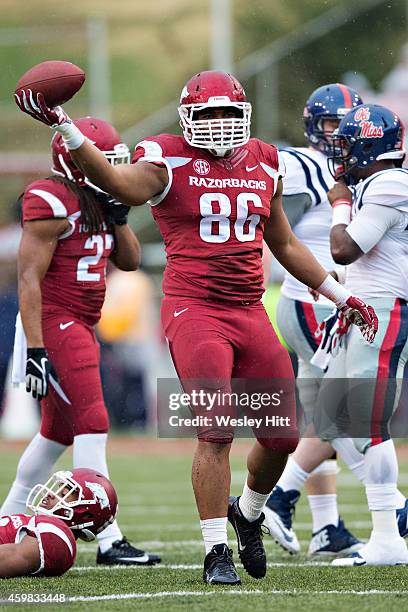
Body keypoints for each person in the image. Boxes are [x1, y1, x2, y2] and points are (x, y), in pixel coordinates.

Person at [15, 70, 378, 584]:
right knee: (216, 429)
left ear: (243, 116)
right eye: (207, 114)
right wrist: (67, 127)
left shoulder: (263, 159)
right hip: (195, 310)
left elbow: (287, 244)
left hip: (249, 310)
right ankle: (215, 552)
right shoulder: (166, 157)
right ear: (188, 117)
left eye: (227, 114)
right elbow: (120, 185)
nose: (218, 124)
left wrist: (340, 295)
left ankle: (248, 513)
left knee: (284, 435)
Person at [0, 117, 160, 567]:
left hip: (83, 324)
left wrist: (119, 215)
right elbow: (28, 279)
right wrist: (34, 350)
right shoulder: (50, 198)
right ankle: (109, 539)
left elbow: (128, 261)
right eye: (104, 162)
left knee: (55, 434)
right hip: (55, 323)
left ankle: (6, 519)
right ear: (75, 161)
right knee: (92, 421)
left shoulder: (97, 200)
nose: (112, 170)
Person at [263, 84, 364, 556]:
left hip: (333, 302)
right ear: (312, 125)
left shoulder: (358, 165)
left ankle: (326, 528)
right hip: (316, 301)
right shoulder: (302, 163)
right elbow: (276, 228)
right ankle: (279, 495)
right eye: (330, 124)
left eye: (346, 124)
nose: (337, 133)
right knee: (346, 410)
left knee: (323, 416)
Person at [311, 103, 408, 566]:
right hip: (371, 309)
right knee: (339, 417)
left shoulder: (389, 183)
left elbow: (344, 247)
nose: (342, 153)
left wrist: (340, 203)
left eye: (349, 143)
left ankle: (389, 538)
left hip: (389, 309)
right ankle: (394, 520)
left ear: (369, 144)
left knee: (368, 422)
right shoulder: (381, 182)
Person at [0, 468, 117, 577]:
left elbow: (13, 556)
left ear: (85, 515)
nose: (51, 494)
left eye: (63, 494)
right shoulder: (44, 525)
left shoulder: (57, 539)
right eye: (58, 490)